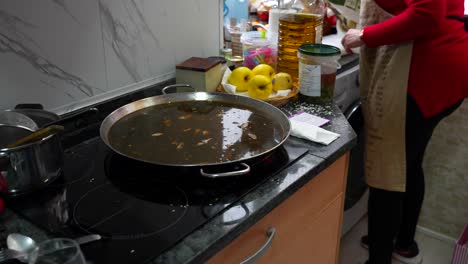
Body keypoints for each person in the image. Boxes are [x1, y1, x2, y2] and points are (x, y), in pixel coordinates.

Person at [341, 0, 468, 263]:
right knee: (408, 163)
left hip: (424, 73)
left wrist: (365, 35)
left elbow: (426, 15)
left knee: (387, 172)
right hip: (446, 69)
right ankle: (404, 244)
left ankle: (379, 257)